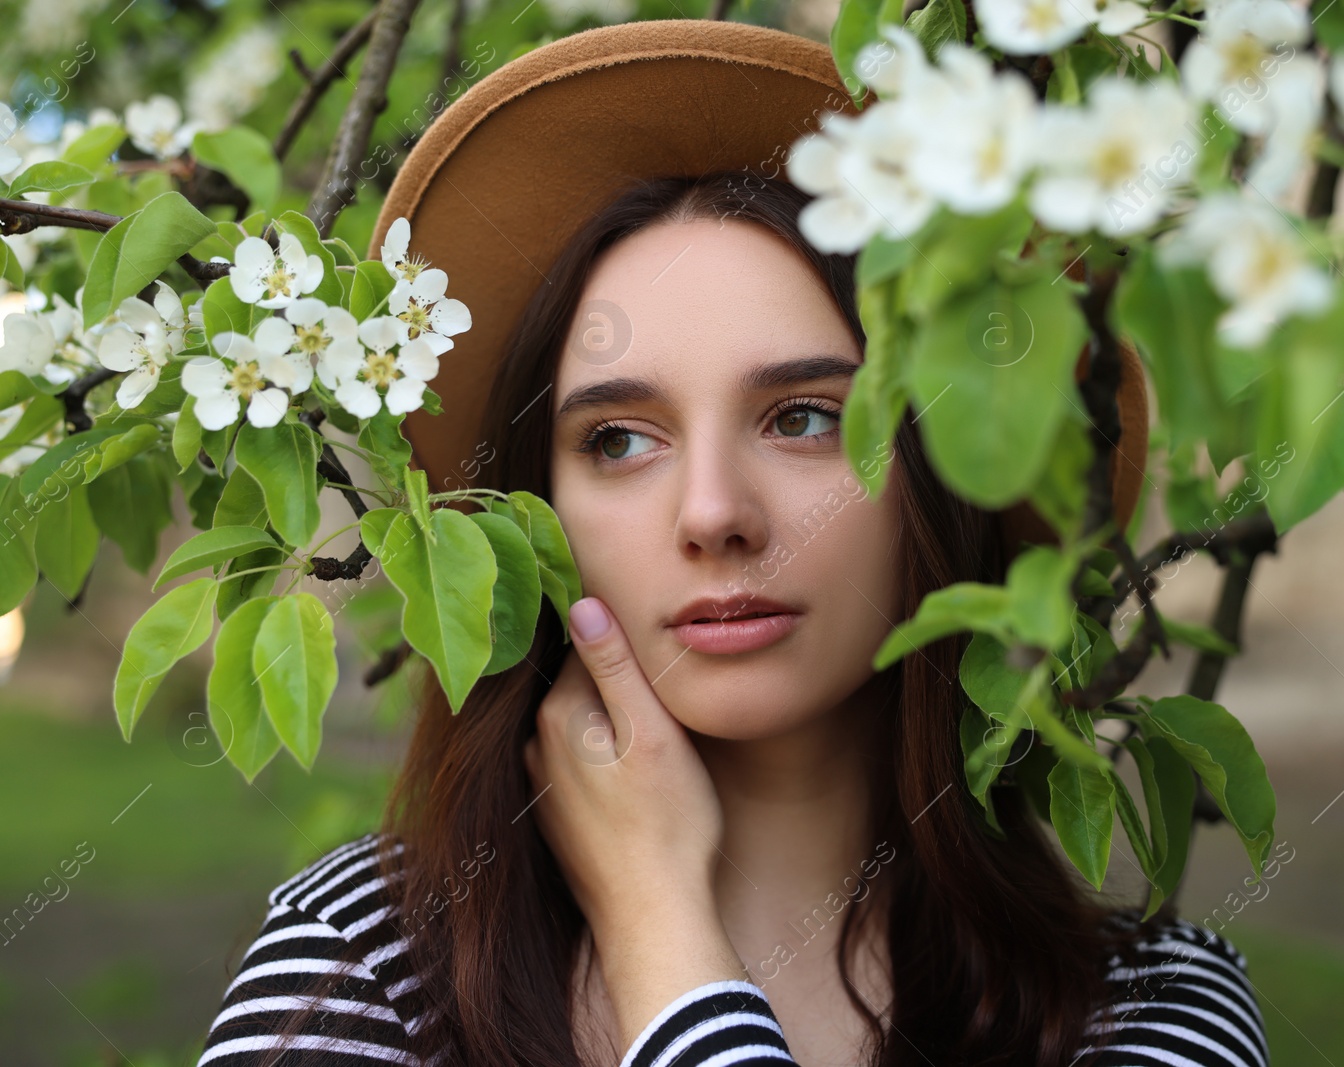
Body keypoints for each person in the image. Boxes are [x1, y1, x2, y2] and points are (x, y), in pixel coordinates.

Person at [195, 20, 1269, 1067]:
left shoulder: (1149, 1010)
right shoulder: (364, 969)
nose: (713, 513)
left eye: (804, 416)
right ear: (529, 510)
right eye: (617, 438)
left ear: (945, 469)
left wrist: (663, 938)